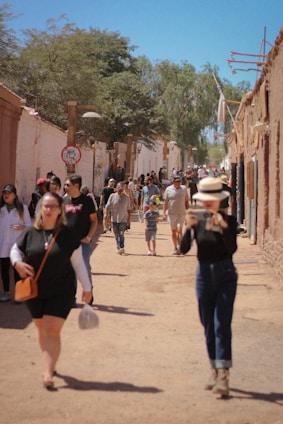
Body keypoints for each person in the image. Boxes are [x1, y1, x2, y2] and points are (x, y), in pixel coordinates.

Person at [10, 192, 92, 389]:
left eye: (52, 207)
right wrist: (18, 264)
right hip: (35, 290)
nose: (48, 210)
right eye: (45, 206)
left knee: (52, 330)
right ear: (40, 209)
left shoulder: (68, 235)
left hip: (61, 291)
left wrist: (87, 287)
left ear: (59, 210)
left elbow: (79, 264)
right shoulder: (31, 232)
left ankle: (47, 372)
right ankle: (50, 364)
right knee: (41, 330)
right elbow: (15, 249)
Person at [180, 177, 238, 396]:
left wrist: (222, 228)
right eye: (204, 200)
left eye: (211, 200)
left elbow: (231, 250)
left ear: (219, 201)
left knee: (221, 324)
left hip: (225, 273)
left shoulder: (229, 221)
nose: (207, 204)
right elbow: (184, 249)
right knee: (207, 325)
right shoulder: (198, 220)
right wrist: (189, 228)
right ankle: (213, 369)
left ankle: (224, 375)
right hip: (203, 273)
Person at [63, 174, 98, 305]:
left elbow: (94, 220)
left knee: (84, 268)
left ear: (76, 186)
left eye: (67, 185)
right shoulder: (64, 201)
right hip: (67, 243)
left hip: (82, 243)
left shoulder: (87, 201)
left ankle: (88, 294)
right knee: (69, 271)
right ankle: (71, 297)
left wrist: (89, 237)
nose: (65, 187)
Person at [0, 184, 32, 302]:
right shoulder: (1, 210)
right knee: (4, 269)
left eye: (8, 193)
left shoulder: (22, 209)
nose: (6, 195)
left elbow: (30, 226)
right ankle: (6, 292)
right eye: (4, 193)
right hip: (3, 243)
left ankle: (19, 294)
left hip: (16, 244)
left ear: (14, 195)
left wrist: (22, 227)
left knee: (17, 269)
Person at [162, 175, 189, 255]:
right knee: (173, 231)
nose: (178, 183)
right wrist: (164, 212)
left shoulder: (184, 189)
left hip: (181, 213)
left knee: (179, 229)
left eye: (179, 181)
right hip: (172, 213)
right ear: (173, 182)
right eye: (176, 181)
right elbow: (165, 201)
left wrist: (189, 212)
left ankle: (180, 246)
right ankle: (175, 247)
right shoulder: (168, 189)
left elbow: (186, 201)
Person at [105, 182, 131, 255]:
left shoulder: (127, 198)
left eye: (122, 187)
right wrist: (106, 214)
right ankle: (118, 247)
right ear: (116, 188)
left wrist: (129, 220)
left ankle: (121, 247)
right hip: (114, 219)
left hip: (123, 219)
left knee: (121, 233)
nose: (120, 189)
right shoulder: (112, 196)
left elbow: (129, 209)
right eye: (119, 187)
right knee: (116, 234)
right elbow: (107, 206)